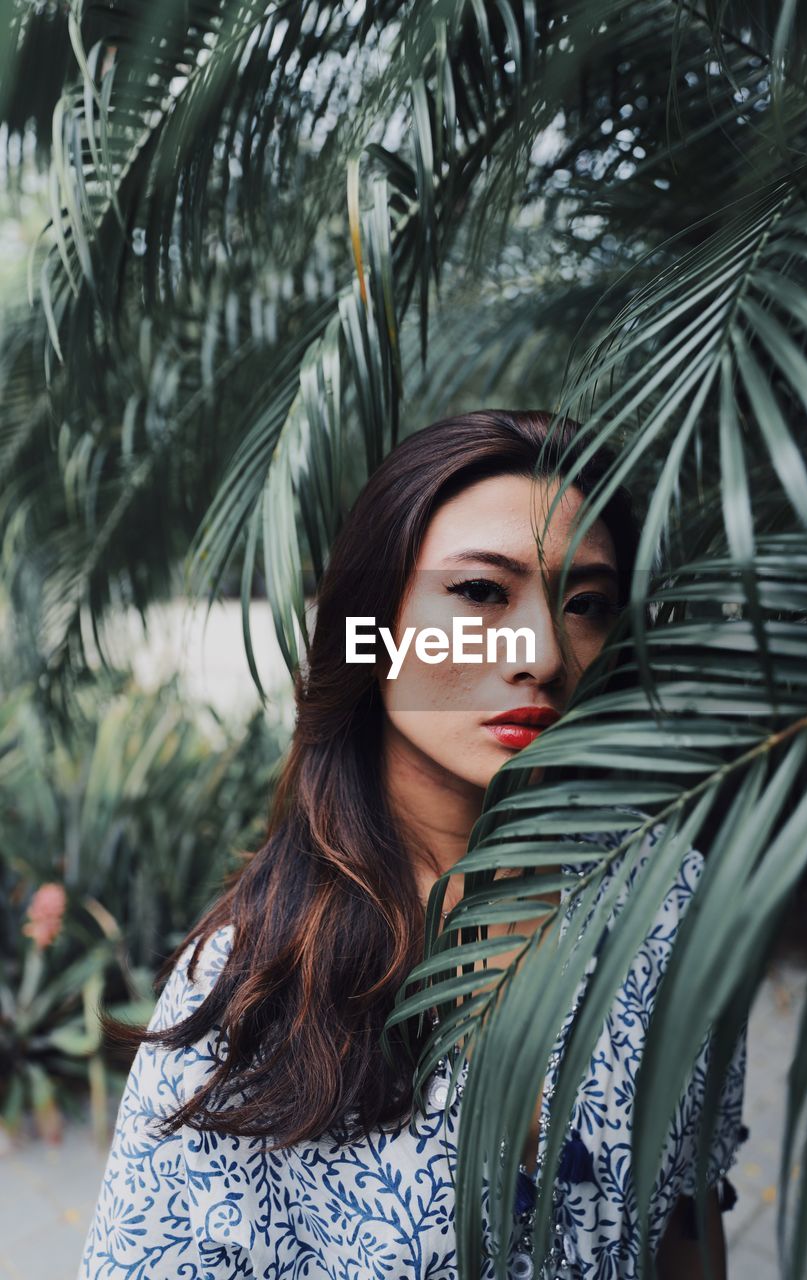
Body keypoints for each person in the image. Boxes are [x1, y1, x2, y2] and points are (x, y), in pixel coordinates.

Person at [77, 409, 746, 1280]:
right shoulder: (252, 984)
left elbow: (686, 1221)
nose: (540, 654)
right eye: (479, 592)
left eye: (585, 604)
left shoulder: (671, 902)